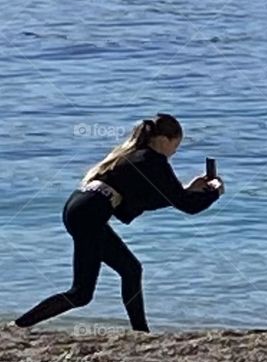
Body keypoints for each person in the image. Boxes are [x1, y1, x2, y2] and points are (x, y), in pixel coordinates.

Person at [14, 113, 223, 333]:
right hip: (89, 214)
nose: (174, 153)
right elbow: (187, 206)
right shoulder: (153, 160)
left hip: (79, 207)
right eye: (175, 146)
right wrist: (215, 191)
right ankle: (19, 325)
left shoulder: (134, 155)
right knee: (81, 293)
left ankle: (141, 332)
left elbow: (159, 198)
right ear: (164, 140)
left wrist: (189, 190)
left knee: (131, 270)